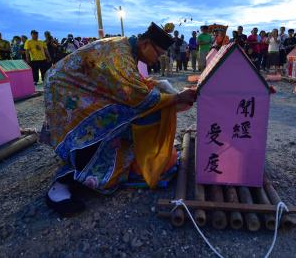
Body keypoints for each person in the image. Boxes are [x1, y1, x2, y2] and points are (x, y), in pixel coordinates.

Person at [43, 22, 197, 216]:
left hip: (75, 87)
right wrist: (177, 97)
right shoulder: (120, 54)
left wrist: (163, 88)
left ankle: (112, 156)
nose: (157, 59)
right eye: (158, 54)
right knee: (112, 119)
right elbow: (138, 96)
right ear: (145, 44)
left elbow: (132, 82)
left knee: (129, 114)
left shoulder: (127, 48)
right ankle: (65, 181)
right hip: (66, 91)